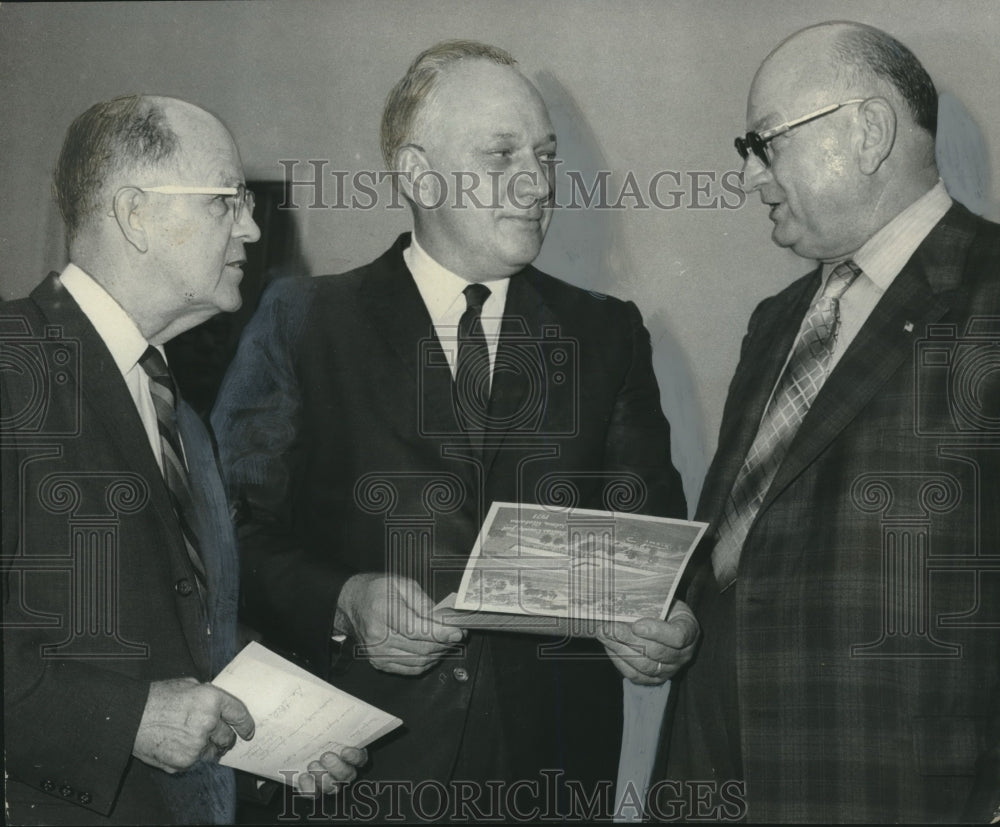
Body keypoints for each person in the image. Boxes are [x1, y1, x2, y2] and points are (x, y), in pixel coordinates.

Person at [212, 40, 697, 822]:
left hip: (551, 776)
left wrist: (671, 621)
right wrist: (343, 598)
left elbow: (651, 541)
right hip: (355, 775)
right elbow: (225, 531)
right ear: (417, 172)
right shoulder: (304, 321)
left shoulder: (607, 335)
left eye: (544, 156)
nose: (538, 184)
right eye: (502, 155)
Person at [658, 21, 1000, 823]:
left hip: (903, 787)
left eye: (764, 142)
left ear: (869, 130)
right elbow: (748, 543)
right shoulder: (777, 320)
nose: (748, 176)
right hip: (714, 771)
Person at [1, 95, 366, 826]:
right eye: (227, 201)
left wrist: (277, 732)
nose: (254, 228)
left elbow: (184, 635)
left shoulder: (183, 419)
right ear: (135, 214)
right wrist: (124, 717)